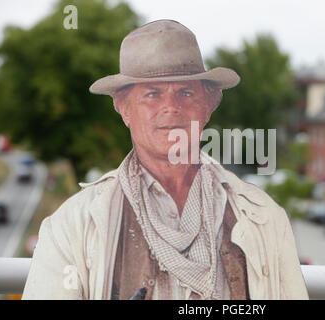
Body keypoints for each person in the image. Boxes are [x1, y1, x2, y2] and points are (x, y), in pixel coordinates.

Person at [22, 19, 308, 300]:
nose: (171, 108)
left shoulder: (264, 220)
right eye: (152, 94)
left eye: (185, 92)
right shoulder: (72, 227)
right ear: (124, 108)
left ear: (208, 106)